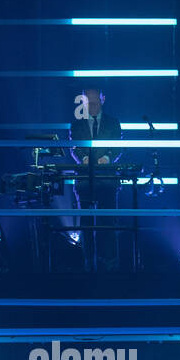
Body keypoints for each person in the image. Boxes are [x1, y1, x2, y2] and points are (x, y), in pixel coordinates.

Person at [68, 86, 122, 270]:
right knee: (86, 224)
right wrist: (84, 159)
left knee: (108, 222)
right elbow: (75, 147)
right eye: (88, 102)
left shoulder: (114, 123)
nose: (91, 106)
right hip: (85, 181)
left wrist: (106, 158)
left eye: (95, 102)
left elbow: (117, 146)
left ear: (102, 100)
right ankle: (88, 261)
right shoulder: (76, 125)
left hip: (107, 180)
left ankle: (110, 262)